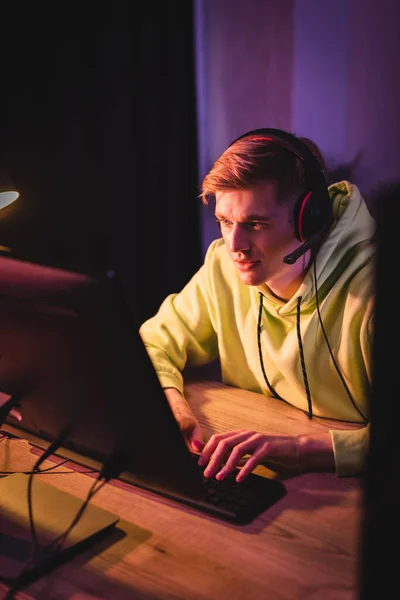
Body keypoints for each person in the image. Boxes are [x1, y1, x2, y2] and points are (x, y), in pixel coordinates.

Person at [139, 127, 375, 482]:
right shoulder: (223, 266)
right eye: (224, 221)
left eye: (255, 223)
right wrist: (172, 404)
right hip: (262, 474)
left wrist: (300, 450)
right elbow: (152, 343)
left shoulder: (374, 289)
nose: (235, 245)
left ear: (309, 218)